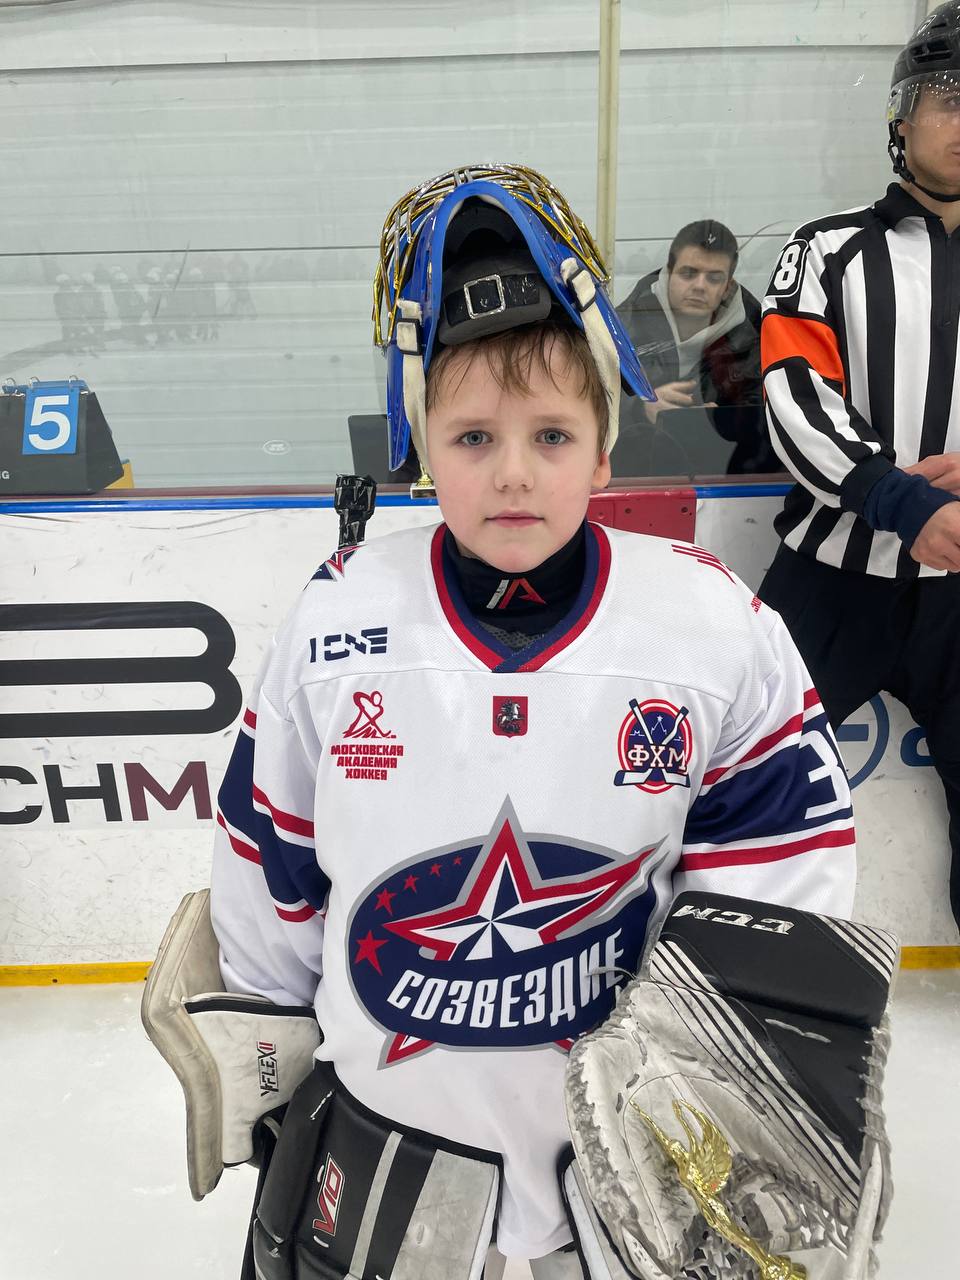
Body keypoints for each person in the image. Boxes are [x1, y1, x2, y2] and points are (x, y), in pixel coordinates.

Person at [202, 164, 855, 1279]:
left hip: (631, 1177)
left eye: (552, 435)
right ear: (422, 445)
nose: (513, 474)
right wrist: (268, 1063)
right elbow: (271, 874)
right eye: (472, 438)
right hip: (387, 1155)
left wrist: (736, 1112)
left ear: (605, 446)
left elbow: (779, 900)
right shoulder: (335, 620)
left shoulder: (714, 627)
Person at [757, 1, 960, 938]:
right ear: (901, 119)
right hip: (830, 580)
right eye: (948, 97)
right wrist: (902, 499)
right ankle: (709, 984)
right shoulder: (827, 249)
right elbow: (795, 396)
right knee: (746, 781)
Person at [616, 220, 776, 475]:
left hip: (729, 480)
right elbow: (592, 404)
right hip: (638, 479)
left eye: (714, 278)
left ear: (728, 286)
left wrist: (725, 421)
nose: (700, 285)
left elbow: (771, 422)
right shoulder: (623, 326)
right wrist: (640, 409)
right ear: (668, 272)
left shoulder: (756, 336)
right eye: (688, 273)